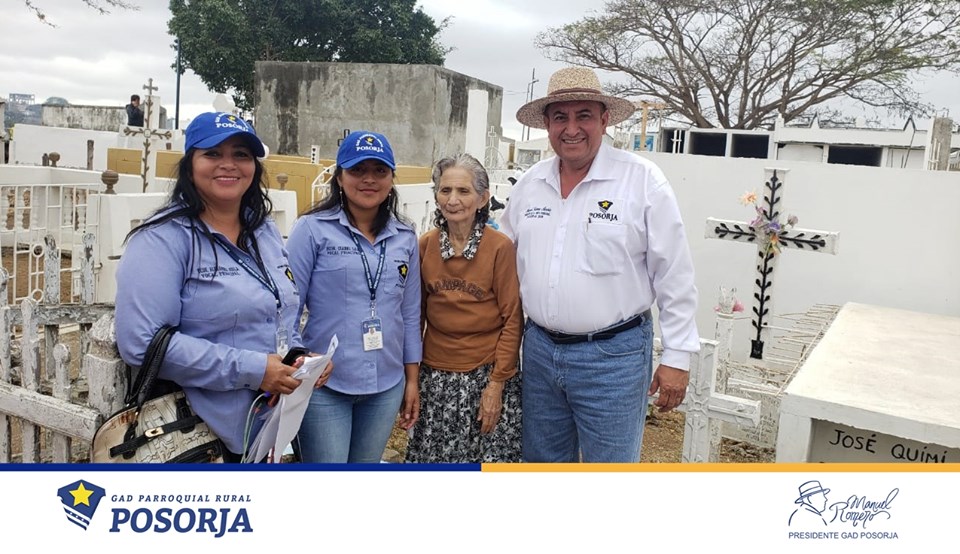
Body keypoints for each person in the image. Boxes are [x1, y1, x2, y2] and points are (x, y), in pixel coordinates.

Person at [500, 67, 701, 463]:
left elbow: (674, 272)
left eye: (584, 116)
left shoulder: (642, 181)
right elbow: (501, 259)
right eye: (560, 117)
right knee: (542, 468)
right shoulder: (529, 185)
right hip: (538, 353)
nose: (572, 128)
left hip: (613, 359)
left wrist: (677, 356)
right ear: (547, 124)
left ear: (605, 120)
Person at [115, 111, 329, 462]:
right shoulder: (162, 239)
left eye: (241, 154)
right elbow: (140, 343)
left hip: (272, 426)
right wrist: (254, 370)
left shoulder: (263, 231)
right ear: (190, 165)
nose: (228, 164)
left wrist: (298, 357)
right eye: (212, 153)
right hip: (200, 435)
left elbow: (278, 314)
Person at [287, 130, 422, 463]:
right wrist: (299, 358)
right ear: (339, 177)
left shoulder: (405, 236)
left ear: (391, 178)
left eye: (379, 170)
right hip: (325, 385)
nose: (369, 179)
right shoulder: (312, 229)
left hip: (386, 384)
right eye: (358, 170)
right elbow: (287, 308)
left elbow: (409, 312)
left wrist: (412, 380)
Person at [405, 154, 523, 463]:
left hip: (485, 375)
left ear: (483, 198)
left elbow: (512, 319)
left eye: (463, 191)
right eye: (445, 191)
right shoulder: (425, 245)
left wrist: (497, 384)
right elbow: (415, 317)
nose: (453, 200)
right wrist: (412, 380)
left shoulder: (499, 247)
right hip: (435, 378)